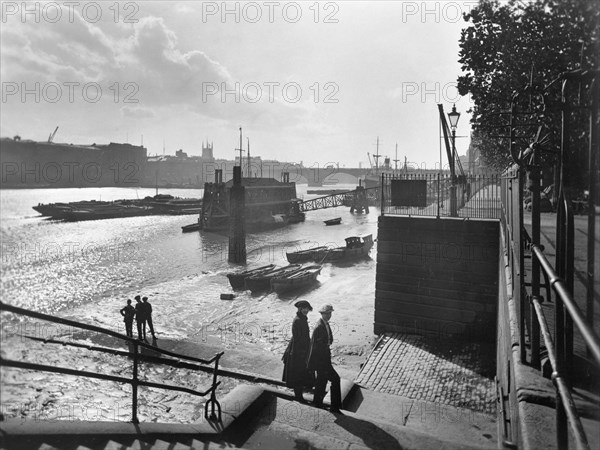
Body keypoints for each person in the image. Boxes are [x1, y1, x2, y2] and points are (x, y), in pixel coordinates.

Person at [307, 304, 342, 413]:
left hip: (324, 360)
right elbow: (315, 347)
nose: (329, 315)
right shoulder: (319, 327)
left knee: (321, 382)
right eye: (327, 313)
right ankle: (335, 407)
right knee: (335, 379)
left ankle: (317, 404)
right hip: (322, 361)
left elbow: (328, 339)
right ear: (322, 314)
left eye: (330, 313)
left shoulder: (324, 324)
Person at [282, 300, 314, 402]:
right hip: (297, 350)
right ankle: (298, 397)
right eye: (304, 308)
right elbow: (298, 339)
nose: (306, 310)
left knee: (299, 373)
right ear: (300, 309)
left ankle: (299, 396)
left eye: (307, 308)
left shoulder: (302, 319)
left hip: (300, 348)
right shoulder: (298, 320)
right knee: (298, 373)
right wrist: (304, 353)